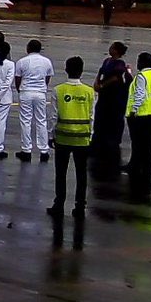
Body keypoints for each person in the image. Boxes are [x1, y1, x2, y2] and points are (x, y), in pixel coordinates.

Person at [49, 56, 96, 218]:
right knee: (81, 174)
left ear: (66, 69)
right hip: (82, 138)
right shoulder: (89, 91)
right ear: (82, 71)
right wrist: (91, 135)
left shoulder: (58, 90)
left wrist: (51, 134)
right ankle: (80, 206)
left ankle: (59, 203)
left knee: (61, 173)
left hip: (63, 137)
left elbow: (54, 116)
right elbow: (92, 116)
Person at [92, 41, 132, 169]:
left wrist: (103, 85)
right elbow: (101, 73)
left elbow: (116, 77)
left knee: (113, 117)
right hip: (103, 95)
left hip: (113, 96)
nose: (109, 49)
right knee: (99, 115)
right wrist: (97, 83)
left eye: (112, 48)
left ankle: (113, 140)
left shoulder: (120, 64)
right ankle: (98, 139)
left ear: (116, 51)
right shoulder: (107, 61)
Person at [126, 51, 151, 180]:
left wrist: (133, 110)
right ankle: (147, 162)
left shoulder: (142, 76)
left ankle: (135, 164)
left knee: (138, 141)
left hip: (142, 113)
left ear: (142, 62)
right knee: (150, 140)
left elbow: (140, 94)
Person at [13, 38, 54, 163]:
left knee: (26, 121)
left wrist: (20, 90)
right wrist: (43, 88)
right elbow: (47, 78)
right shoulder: (47, 62)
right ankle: (44, 150)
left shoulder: (22, 61)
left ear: (28, 48)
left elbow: (18, 78)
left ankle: (26, 149)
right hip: (40, 92)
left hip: (26, 91)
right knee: (41, 121)